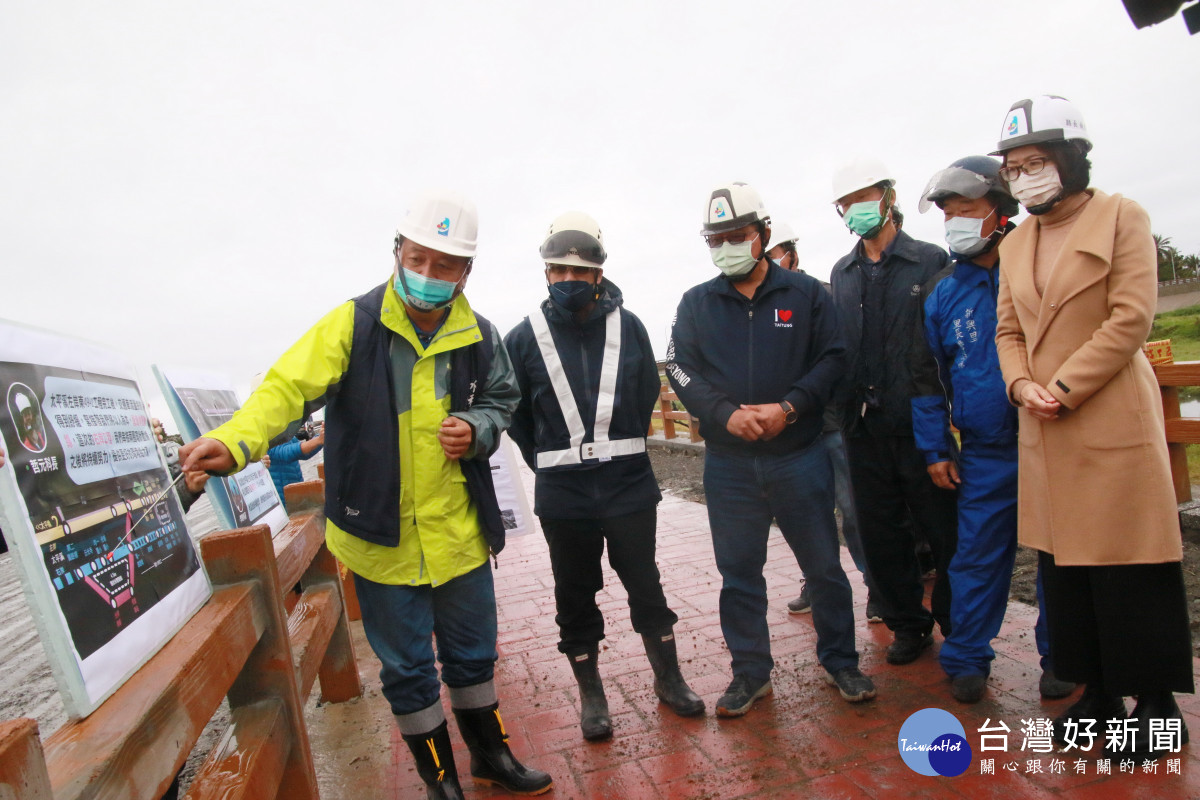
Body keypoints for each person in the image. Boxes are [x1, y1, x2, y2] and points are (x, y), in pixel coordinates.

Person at [180, 190, 552, 798]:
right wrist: (238, 441)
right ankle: (440, 780)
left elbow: (503, 401)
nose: (428, 275)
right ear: (398, 250)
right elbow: (284, 390)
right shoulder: (353, 323)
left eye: (445, 264)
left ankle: (492, 757)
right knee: (407, 669)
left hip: (458, 535)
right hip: (380, 540)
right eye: (419, 257)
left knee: (473, 655)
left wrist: (479, 428)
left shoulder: (482, 335)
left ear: (466, 272)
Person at [992, 95, 1193, 760]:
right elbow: (1009, 329)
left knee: (1130, 568)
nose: (1025, 176)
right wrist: (1021, 384)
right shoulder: (1016, 240)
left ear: (1072, 161)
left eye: (1037, 162)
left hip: (1105, 415)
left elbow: (1132, 317)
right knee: (1066, 572)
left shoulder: (1119, 215)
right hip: (1042, 427)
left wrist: (1063, 387)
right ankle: (1097, 694)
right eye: (1015, 167)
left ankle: (1157, 705)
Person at [667, 181, 876, 715]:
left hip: (798, 456)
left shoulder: (805, 295)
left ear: (761, 234)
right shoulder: (695, 303)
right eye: (715, 239)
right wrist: (726, 414)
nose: (726, 247)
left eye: (736, 235)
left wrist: (788, 408)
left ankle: (841, 661)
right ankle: (750, 673)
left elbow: (833, 358)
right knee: (739, 573)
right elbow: (680, 369)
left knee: (824, 566)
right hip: (729, 466)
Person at [504, 211, 704, 740]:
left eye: (579, 271)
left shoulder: (630, 326)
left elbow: (642, 401)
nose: (568, 280)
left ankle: (670, 678)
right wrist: (546, 462)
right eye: (557, 271)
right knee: (574, 592)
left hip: (628, 486)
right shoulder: (523, 337)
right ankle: (592, 695)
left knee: (645, 582)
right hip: (563, 493)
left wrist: (621, 454)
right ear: (546, 274)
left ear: (598, 273)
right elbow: (517, 414)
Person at [911, 156, 1075, 704]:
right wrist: (936, 446)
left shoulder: (1037, 264)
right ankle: (966, 658)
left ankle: (1063, 657)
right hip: (985, 451)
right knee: (977, 555)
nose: (956, 221)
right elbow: (926, 378)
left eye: (968, 211)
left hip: (1053, 435)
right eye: (948, 214)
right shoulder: (942, 291)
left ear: (1000, 213)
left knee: (1060, 555)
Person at [827, 157, 958, 666]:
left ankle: (957, 624)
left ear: (887, 196)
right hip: (862, 428)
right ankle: (908, 624)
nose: (856, 210)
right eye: (846, 203)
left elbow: (942, 345)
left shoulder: (929, 261)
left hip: (921, 426)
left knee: (943, 532)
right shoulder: (842, 273)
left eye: (864, 198)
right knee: (880, 533)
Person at [768, 223, 881, 624]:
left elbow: (844, 356)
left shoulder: (823, 295)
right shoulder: (753, 306)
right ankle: (815, 582)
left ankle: (876, 586)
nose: (768, 257)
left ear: (792, 254)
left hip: (832, 423)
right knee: (802, 514)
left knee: (852, 510)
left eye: (775, 249)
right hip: (789, 433)